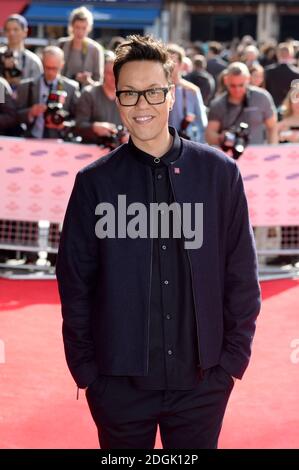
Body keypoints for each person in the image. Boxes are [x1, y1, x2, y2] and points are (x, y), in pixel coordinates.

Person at [56, 35, 261, 449]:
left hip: (203, 385)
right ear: (117, 99)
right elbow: (75, 281)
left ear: (171, 95)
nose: (142, 104)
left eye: (153, 91)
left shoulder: (220, 175)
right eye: (130, 93)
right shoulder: (94, 184)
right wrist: (89, 372)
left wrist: (231, 364)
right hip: (118, 385)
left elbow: (241, 275)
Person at [206, 62, 277, 148]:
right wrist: (221, 138)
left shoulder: (262, 98)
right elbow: (210, 134)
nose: (237, 90)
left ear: (248, 79)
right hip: (229, 157)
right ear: (226, 81)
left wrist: (271, 150)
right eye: (233, 86)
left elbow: (272, 127)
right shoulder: (218, 104)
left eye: (241, 85)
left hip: (257, 154)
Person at [16, 46, 79, 139]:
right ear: (42, 63)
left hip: (59, 141)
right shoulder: (26, 86)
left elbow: (79, 120)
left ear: (62, 65)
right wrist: (30, 112)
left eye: (54, 68)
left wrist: (64, 125)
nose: (50, 72)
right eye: (47, 67)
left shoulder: (71, 88)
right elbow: (15, 116)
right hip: (32, 138)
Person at [75, 51, 123, 144]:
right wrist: (94, 127)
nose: (113, 77)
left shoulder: (127, 96)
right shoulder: (89, 94)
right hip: (92, 149)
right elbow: (78, 126)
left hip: (118, 150)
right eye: (110, 73)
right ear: (103, 73)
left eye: (116, 74)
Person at [57, 6, 104, 88]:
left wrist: (88, 81)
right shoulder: (61, 44)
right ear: (71, 27)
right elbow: (55, 74)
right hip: (64, 93)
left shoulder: (95, 49)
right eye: (77, 27)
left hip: (86, 96)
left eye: (84, 28)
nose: (80, 32)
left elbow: (99, 83)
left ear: (89, 28)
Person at [0, 14, 43, 93]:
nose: (11, 33)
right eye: (8, 30)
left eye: (16, 29)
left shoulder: (33, 61)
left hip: (24, 103)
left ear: (25, 32)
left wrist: (19, 83)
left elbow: (37, 89)